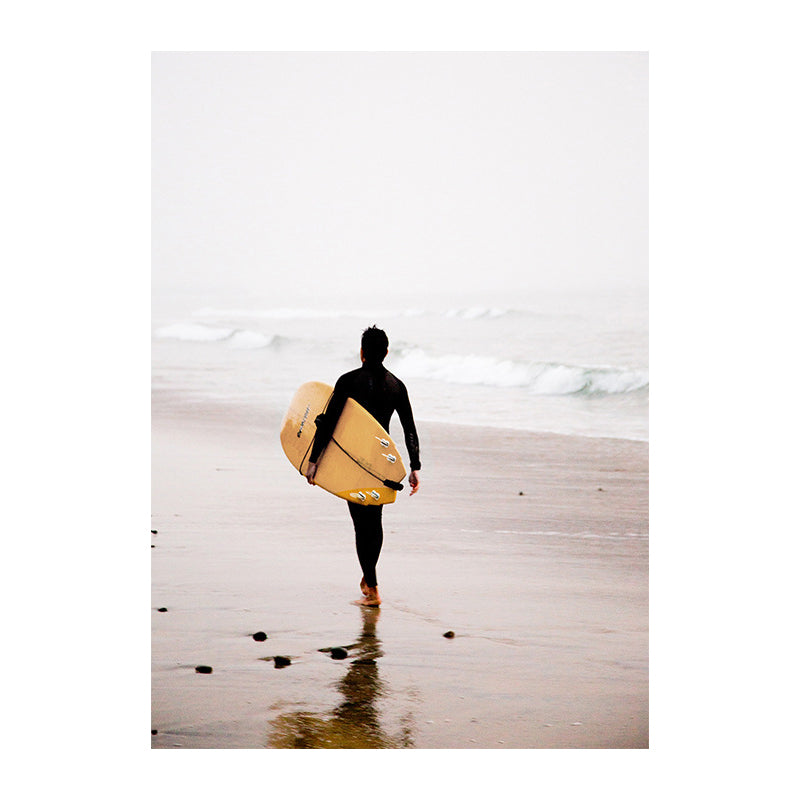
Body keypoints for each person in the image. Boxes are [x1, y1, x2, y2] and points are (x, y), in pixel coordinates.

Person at [306, 326, 421, 607]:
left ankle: (372, 587)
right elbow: (409, 429)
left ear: (361, 352)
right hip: (380, 463)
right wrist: (415, 465)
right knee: (375, 522)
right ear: (386, 352)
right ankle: (369, 581)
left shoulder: (348, 381)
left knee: (361, 525)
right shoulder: (396, 385)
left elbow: (328, 420)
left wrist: (313, 460)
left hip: (352, 461)